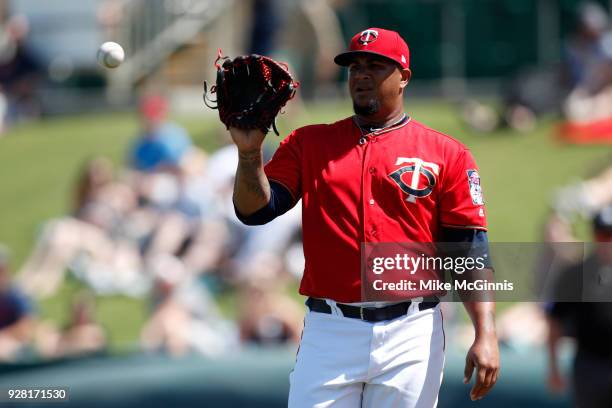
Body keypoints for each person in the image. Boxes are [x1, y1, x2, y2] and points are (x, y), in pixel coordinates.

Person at [228, 28, 499, 406]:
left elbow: (469, 250)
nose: (361, 75)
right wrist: (249, 153)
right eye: (354, 66)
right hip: (330, 328)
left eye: (375, 65)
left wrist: (485, 333)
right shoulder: (309, 143)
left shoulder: (446, 153)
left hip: (412, 330)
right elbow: (254, 210)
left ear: (403, 76)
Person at [546, 206, 612, 408]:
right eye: (604, 235)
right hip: (589, 364)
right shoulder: (575, 275)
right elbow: (555, 321)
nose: (608, 241)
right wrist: (554, 368)